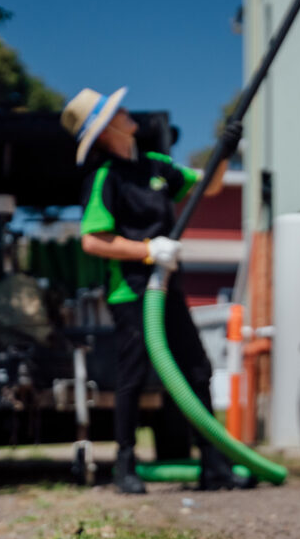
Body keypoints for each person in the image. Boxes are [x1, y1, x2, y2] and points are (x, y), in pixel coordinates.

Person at [60, 87, 246, 493]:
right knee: (134, 375)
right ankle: (125, 464)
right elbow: (93, 239)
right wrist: (147, 249)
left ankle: (213, 461)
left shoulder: (156, 165)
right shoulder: (104, 178)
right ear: (106, 128)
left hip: (166, 286)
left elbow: (207, 187)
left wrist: (224, 150)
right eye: (117, 110)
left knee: (197, 368)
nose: (127, 111)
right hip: (132, 291)